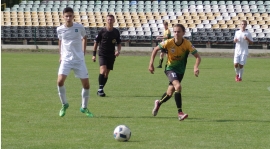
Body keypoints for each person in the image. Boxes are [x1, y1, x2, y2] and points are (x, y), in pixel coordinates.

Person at [148, 24, 201, 121]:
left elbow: (198, 57)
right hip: (170, 69)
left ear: (183, 33)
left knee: (169, 93)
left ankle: (158, 103)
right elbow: (155, 49)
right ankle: (180, 113)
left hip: (180, 71)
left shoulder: (187, 44)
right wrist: (151, 63)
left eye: (178, 31)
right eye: (175, 31)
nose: (176, 33)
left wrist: (195, 67)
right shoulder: (169, 42)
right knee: (178, 87)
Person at [56, 7, 93, 117]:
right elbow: (60, 41)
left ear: (73, 16)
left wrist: (83, 52)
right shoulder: (59, 29)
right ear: (63, 16)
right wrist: (61, 55)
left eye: (70, 16)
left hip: (78, 60)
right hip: (66, 59)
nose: (68, 18)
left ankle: (84, 108)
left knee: (86, 85)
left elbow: (84, 37)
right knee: (59, 82)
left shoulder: (79, 27)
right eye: (66, 16)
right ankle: (64, 104)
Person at [92, 14, 121, 97]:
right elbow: (96, 42)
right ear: (106, 20)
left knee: (106, 74)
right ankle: (100, 89)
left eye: (111, 19)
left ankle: (100, 89)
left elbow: (119, 43)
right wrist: (94, 55)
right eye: (108, 19)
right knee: (103, 70)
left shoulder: (116, 32)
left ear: (114, 21)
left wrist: (118, 51)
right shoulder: (102, 31)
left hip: (111, 55)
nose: (110, 21)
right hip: (102, 54)